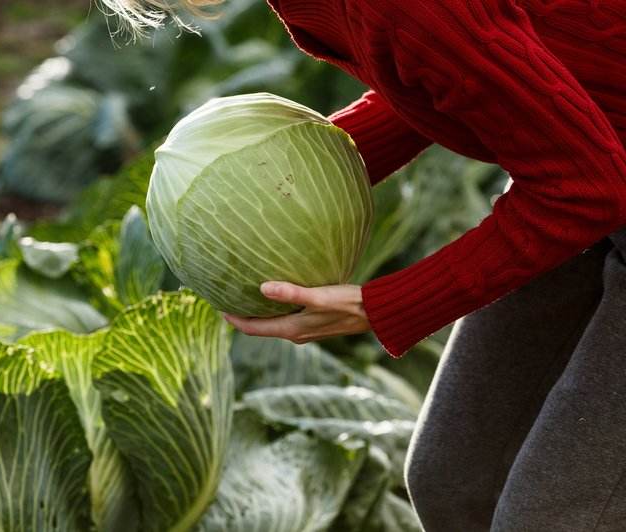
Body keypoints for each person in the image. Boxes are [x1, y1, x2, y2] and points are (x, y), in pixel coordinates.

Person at [101, 1, 626, 529]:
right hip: (586, 157)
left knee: (553, 519)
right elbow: (452, 68)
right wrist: (288, 184)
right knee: (454, 481)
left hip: (585, 179)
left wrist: (381, 307)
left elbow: (589, 187)